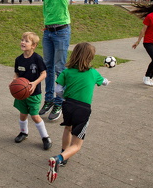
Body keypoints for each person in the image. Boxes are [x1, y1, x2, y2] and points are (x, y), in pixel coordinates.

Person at [15, 0, 70, 122]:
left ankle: (59, 102)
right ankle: (48, 100)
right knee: (47, 68)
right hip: (48, 32)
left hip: (61, 31)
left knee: (60, 67)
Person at [46, 42, 110, 183]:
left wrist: (64, 96)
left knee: (68, 128)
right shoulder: (93, 73)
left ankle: (64, 153)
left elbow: (57, 90)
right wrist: (107, 81)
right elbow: (104, 82)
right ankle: (59, 159)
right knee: (77, 144)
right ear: (90, 58)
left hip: (68, 105)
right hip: (83, 109)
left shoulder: (66, 72)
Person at [12, 32, 52, 150]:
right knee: (23, 114)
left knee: (34, 116)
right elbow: (17, 73)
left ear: (33, 45)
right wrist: (14, 81)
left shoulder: (37, 59)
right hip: (21, 94)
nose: (23, 42)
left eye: (26, 41)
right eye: (22, 40)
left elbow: (44, 74)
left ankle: (45, 137)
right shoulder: (18, 59)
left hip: (34, 93)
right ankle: (23, 132)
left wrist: (35, 83)